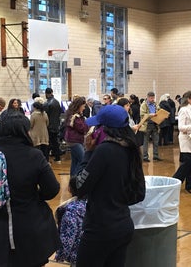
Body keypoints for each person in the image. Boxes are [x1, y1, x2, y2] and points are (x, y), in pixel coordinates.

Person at [0, 114, 60, 266]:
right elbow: (52, 189)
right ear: (24, 131)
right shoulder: (34, 155)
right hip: (29, 222)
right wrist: (36, 195)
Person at [74, 104, 146, 266]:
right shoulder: (132, 150)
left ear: (104, 129)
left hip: (100, 228)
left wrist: (88, 152)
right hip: (123, 224)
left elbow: (79, 186)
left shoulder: (104, 151)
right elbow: (139, 193)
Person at [55, 176, 87, 266]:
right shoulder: (93, 205)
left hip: (78, 257)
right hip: (96, 253)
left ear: (69, 189)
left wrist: (60, 255)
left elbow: (68, 237)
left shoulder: (70, 211)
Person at [64, 97, 89, 176]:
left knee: (75, 161)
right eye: (83, 106)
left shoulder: (72, 114)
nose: (84, 108)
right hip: (75, 140)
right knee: (82, 160)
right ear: (79, 106)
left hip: (72, 140)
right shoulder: (76, 117)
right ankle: (77, 178)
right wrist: (86, 123)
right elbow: (82, 128)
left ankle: (73, 178)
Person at [140, 91, 163, 162]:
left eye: (153, 98)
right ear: (147, 97)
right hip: (147, 125)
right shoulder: (144, 105)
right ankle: (145, 156)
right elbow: (142, 115)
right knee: (146, 141)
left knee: (156, 141)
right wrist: (151, 115)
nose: (152, 99)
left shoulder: (155, 104)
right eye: (151, 98)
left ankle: (155, 155)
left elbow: (159, 110)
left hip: (155, 124)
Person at [45, 88, 64, 162]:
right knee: (55, 142)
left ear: (46, 94)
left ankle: (47, 158)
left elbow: (46, 115)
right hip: (56, 124)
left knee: (49, 142)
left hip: (49, 125)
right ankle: (57, 156)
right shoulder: (57, 102)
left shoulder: (47, 103)